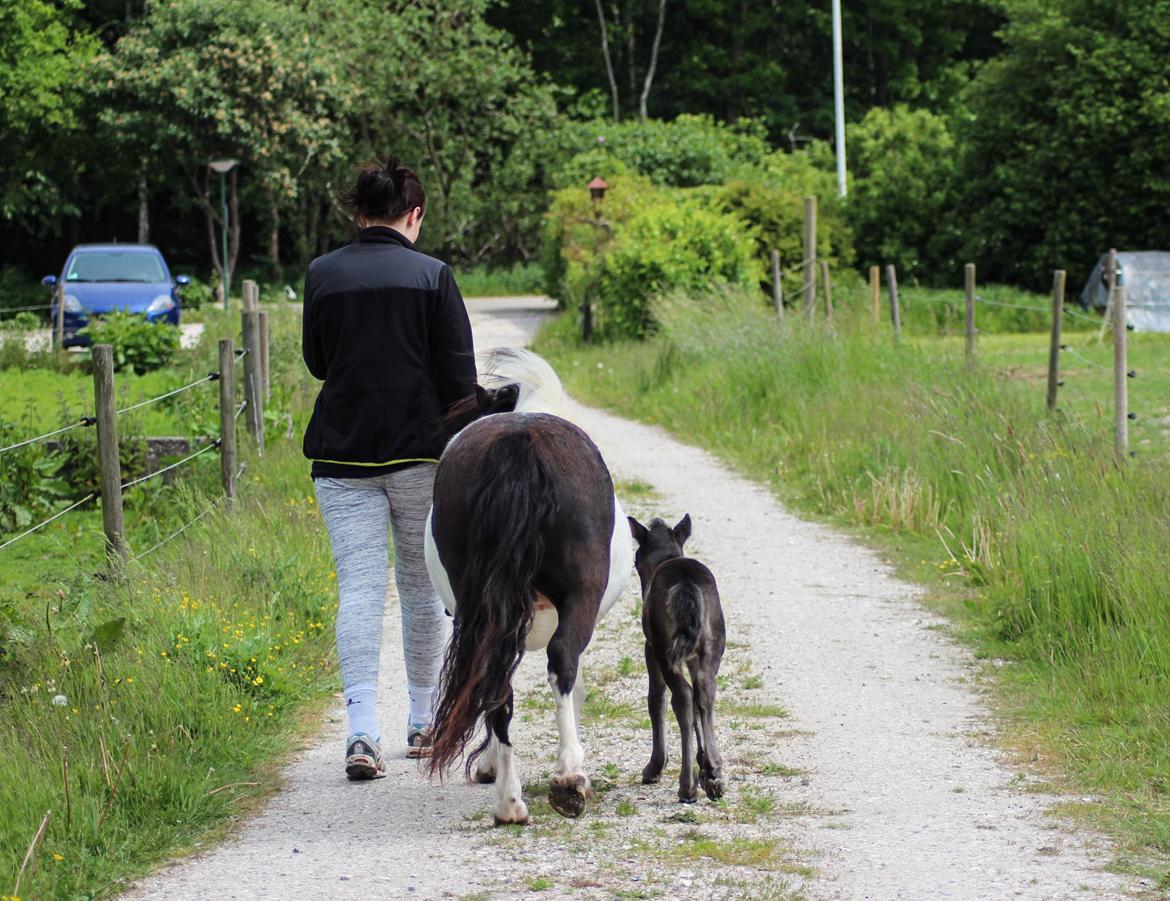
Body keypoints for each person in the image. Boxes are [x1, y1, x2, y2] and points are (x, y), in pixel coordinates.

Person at [302, 157, 476, 779]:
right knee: (419, 585)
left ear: (359, 213)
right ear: (415, 215)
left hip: (341, 456)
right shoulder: (433, 276)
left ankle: (360, 733)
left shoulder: (322, 273)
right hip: (420, 456)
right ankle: (425, 721)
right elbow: (460, 381)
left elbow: (318, 363)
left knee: (360, 590)